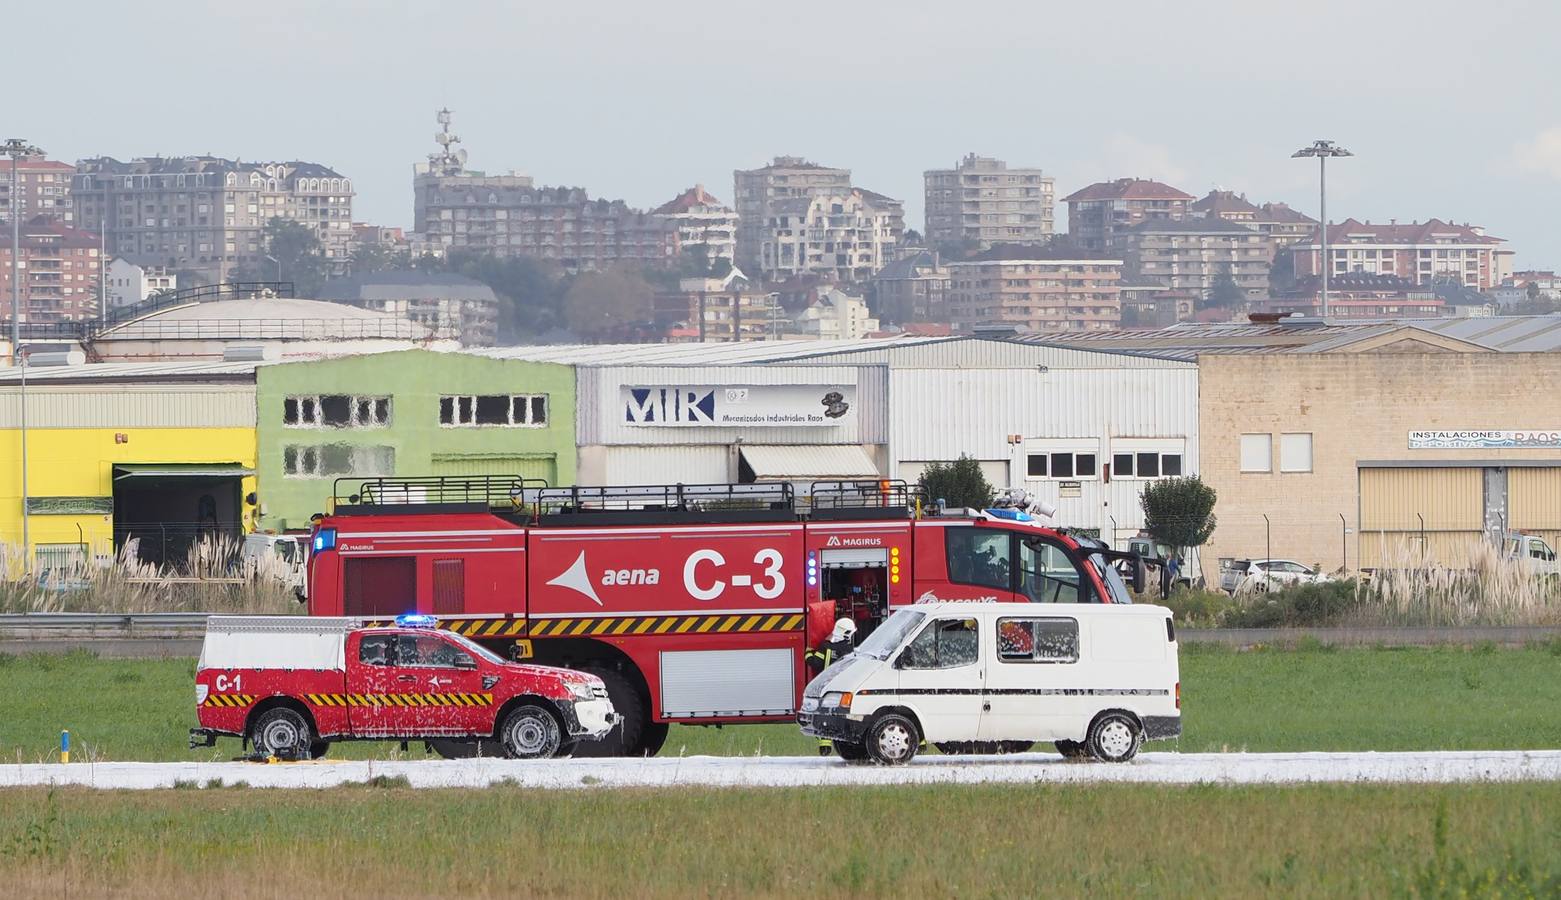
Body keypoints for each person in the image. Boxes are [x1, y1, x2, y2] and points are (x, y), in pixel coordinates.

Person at [806, 618, 858, 756]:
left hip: (827, 686)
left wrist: (808, 651)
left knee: (825, 714)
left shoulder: (826, 647)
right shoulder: (851, 650)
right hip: (844, 687)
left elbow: (814, 662)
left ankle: (825, 746)